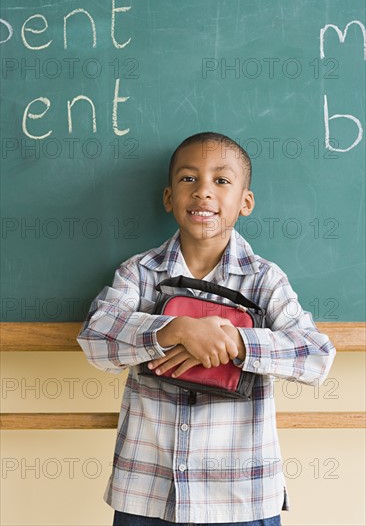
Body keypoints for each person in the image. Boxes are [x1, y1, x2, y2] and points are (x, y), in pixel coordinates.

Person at [77, 132, 336, 526]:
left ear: (245, 202)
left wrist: (237, 341)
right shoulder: (140, 273)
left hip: (241, 496)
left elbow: (316, 356)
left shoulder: (264, 280)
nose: (203, 192)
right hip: (148, 492)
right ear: (168, 198)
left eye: (221, 180)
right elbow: (96, 337)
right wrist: (175, 329)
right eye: (188, 179)